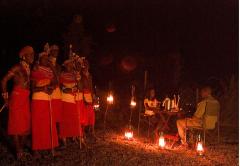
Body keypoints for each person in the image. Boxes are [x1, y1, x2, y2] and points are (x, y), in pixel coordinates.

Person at [1, 46, 34, 159]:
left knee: (26, 126)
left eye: (33, 54)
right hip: (16, 97)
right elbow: (4, 80)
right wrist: (5, 98)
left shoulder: (28, 68)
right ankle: (18, 150)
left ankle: (20, 147)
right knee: (15, 125)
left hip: (25, 98)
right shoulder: (17, 67)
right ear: (24, 56)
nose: (32, 56)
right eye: (30, 54)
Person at [31, 52, 59, 157]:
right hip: (38, 99)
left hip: (48, 98)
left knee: (49, 124)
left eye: (48, 59)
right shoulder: (36, 69)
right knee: (38, 124)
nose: (46, 60)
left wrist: (51, 88)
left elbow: (56, 81)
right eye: (44, 58)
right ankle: (36, 149)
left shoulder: (49, 71)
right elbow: (33, 88)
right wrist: (43, 88)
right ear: (40, 59)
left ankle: (50, 146)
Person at [59, 59, 85, 146]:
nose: (71, 66)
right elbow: (63, 88)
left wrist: (78, 79)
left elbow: (80, 88)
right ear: (66, 66)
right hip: (64, 99)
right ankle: (64, 140)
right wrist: (72, 89)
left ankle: (75, 137)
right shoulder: (62, 74)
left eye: (71, 65)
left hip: (72, 100)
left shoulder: (75, 75)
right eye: (69, 65)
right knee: (64, 120)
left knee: (74, 119)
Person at [82, 60, 96, 139]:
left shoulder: (89, 75)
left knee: (91, 114)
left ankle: (92, 131)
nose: (86, 66)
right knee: (84, 113)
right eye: (84, 64)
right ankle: (83, 132)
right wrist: (83, 97)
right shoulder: (81, 75)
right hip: (84, 94)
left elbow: (91, 86)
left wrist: (93, 96)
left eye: (87, 64)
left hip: (89, 95)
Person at [49, 45, 62, 127]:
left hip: (57, 90)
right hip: (49, 90)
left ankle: (56, 135)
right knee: (50, 113)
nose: (56, 52)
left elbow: (58, 77)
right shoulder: (46, 63)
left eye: (57, 50)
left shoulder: (58, 65)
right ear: (50, 51)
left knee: (57, 114)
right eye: (54, 50)